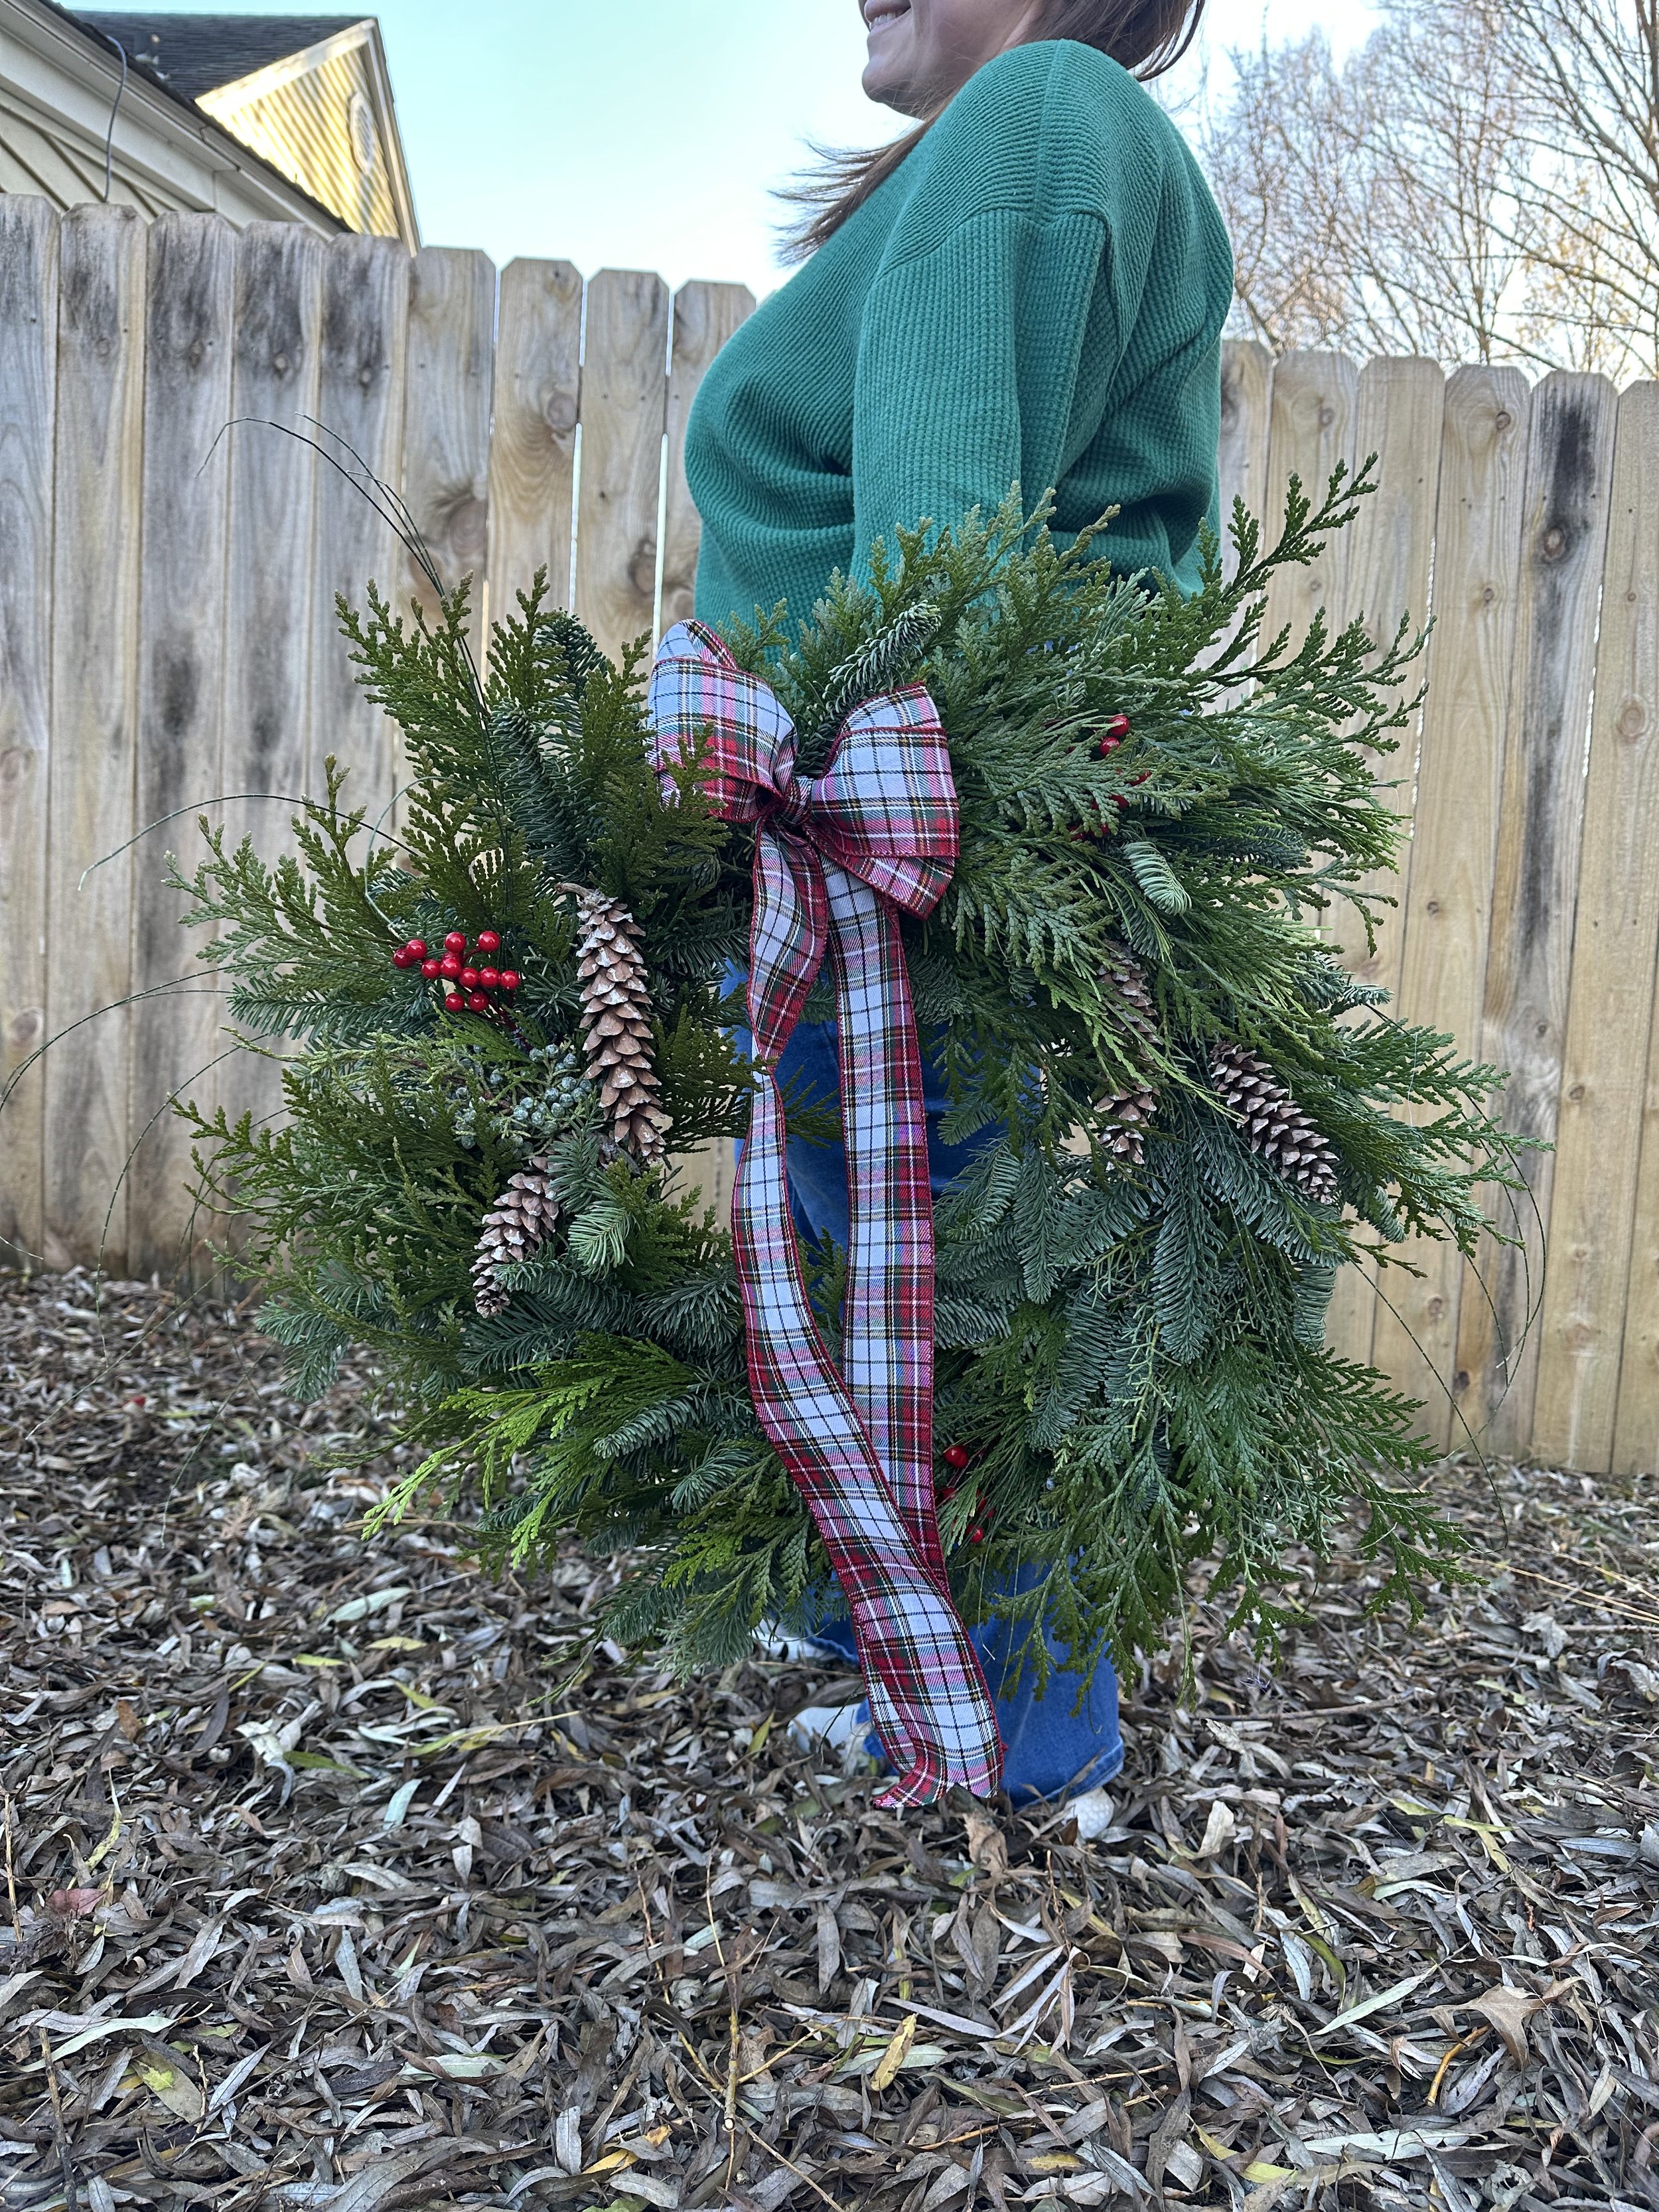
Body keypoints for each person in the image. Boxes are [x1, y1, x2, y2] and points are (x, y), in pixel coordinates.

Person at [683, 0, 1232, 1806]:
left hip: (897, 838)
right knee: (889, 1253)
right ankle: (886, 1619)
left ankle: (1022, 1725)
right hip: (863, 839)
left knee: (949, 1277)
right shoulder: (1010, 143)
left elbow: (934, 569)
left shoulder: (1040, 118)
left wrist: (872, 799)